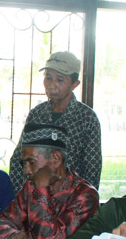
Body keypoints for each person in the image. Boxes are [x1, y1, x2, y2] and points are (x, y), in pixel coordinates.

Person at [0, 123, 99, 239]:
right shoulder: (31, 186)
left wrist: (42, 189)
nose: (27, 171)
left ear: (56, 158)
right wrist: (11, 235)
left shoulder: (85, 196)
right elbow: (2, 222)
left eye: (32, 162)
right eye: (24, 164)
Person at [9, 51, 102, 191]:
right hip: (34, 199)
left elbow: (92, 169)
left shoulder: (87, 118)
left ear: (74, 84)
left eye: (60, 80)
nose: (52, 85)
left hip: (70, 202)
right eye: (48, 78)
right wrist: (20, 198)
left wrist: (82, 202)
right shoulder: (37, 114)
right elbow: (18, 160)